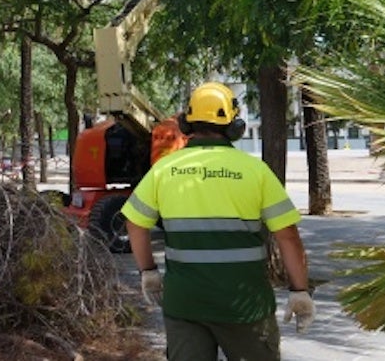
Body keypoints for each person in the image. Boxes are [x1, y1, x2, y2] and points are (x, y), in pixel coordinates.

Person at [121, 81, 315, 361]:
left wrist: (148, 272)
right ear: (235, 126)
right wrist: (299, 291)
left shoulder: (163, 170)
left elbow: (135, 223)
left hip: (185, 305)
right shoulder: (255, 171)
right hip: (244, 307)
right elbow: (288, 236)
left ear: (187, 123)